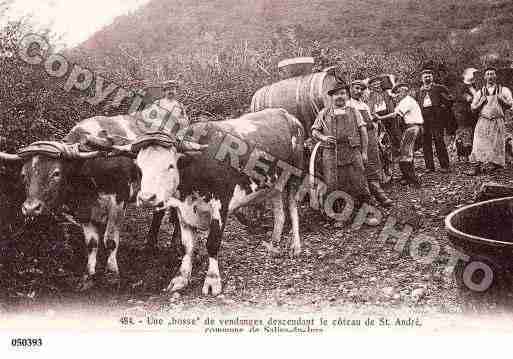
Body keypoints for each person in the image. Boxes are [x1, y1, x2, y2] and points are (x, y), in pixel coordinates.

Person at [311, 83, 373, 223]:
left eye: (343, 93)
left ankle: (367, 214)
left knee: (360, 183)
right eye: (336, 94)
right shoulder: (324, 113)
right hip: (331, 154)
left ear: (347, 95)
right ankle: (340, 216)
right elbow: (314, 131)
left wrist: (364, 153)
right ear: (331, 97)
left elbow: (363, 132)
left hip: (352, 152)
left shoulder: (353, 111)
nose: (340, 96)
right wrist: (323, 137)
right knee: (334, 185)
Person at [349, 79, 393, 207]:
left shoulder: (364, 105)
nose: (358, 91)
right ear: (350, 89)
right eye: (356, 88)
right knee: (364, 164)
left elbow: (372, 120)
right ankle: (372, 196)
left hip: (371, 137)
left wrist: (375, 130)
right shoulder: (348, 105)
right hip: (360, 138)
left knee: (374, 162)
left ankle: (376, 192)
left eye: (361, 89)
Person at [376, 83, 423, 188]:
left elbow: (395, 115)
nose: (398, 94)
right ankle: (407, 177)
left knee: (406, 153)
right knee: (405, 152)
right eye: (397, 92)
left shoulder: (407, 101)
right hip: (411, 127)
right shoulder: (405, 101)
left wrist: (379, 118)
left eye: (399, 92)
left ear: (405, 91)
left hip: (412, 127)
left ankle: (413, 180)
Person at [468, 66, 513, 175]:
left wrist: (502, 100)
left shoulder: (503, 90)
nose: (490, 77)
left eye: (492, 74)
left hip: (497, 120)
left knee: (496, 143)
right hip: (483, 120)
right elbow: (473, 108)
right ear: (484, 77)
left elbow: (511, 105)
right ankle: (476, 166)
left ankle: (495, 166)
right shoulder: (480, 92)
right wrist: (480, 103)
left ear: (495, 76)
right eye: (488, 74)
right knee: (479, 143)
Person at [415, 68, 453, 173]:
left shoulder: (439, 88)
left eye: (429, 76)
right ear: (421, 79)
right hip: (424, 119)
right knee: (426, 142)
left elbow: (450, 100)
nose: (427, 78)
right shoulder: (419, 92)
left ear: (432, 77)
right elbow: (417, 106)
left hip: (437, 118)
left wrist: (442, 108)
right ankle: (429, 167)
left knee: (439, 140)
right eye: (425, 76)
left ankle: (445, 166)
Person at [453, 68, 479, 162]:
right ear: (465, 76)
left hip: (473, 114)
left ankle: (470, 154)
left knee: (471, 134)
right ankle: (462, 155)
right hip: (463, 115)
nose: (474, 77)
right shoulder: (461, 87)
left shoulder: (474, 86)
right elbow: (464, 98)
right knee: (464, 134)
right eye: (472, 74)